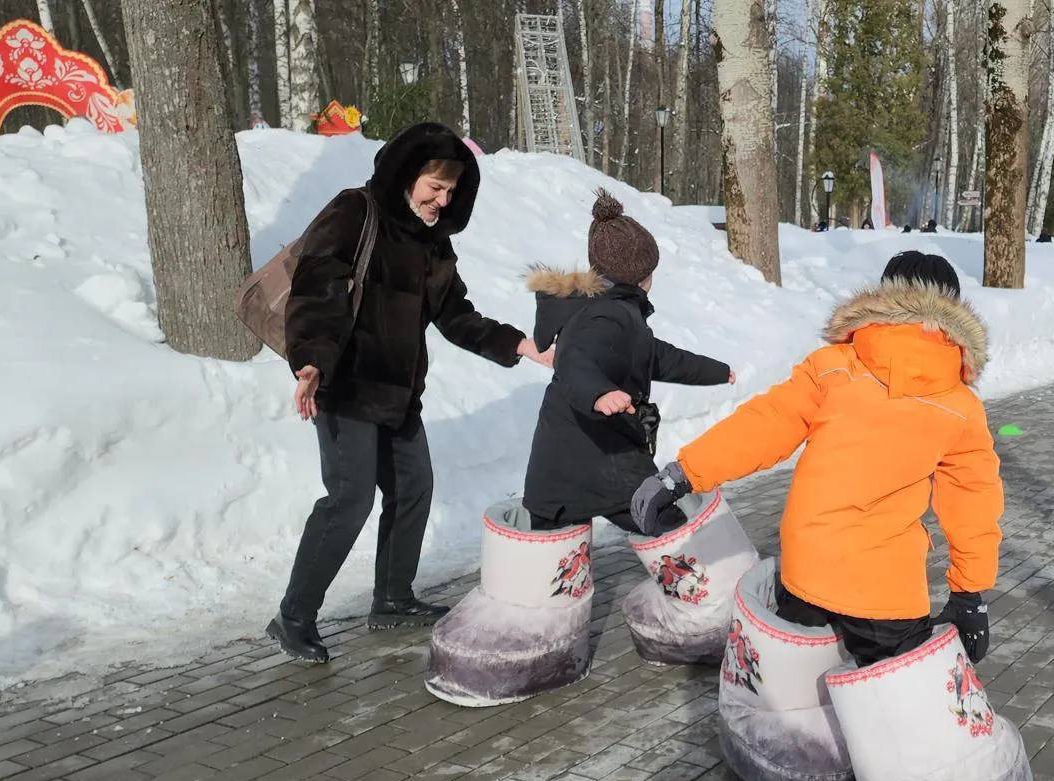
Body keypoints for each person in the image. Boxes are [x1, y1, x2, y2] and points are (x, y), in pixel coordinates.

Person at [629, 252, 1002, 666]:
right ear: (954, 314)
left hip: (808, 571)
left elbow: (763, 425)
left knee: (794, 697)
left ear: (883, 299)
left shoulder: (831, 369)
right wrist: (969, 595)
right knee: (897, 703)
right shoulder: (959, 405)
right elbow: (973, 503)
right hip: (886, 591)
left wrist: (684, 473)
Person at [271, 122, 548, 664]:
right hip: (344, 386)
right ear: (407, 175)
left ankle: (393, 597)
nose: (442, 201)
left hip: (398, 395)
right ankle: (294, 616)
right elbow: (316, 290)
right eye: (434, 187)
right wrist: (309, 362)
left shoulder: (432, 242)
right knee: (349, 501)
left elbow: (456, 315)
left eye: (451, 192)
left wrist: (519, 344)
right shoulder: (355, 212)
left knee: (414, 487)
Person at [521, 189, 732, 534]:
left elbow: (658, 356)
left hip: (566, 461)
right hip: (600, 456)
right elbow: (575, 362)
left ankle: (552, 588)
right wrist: (599, 394)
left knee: (558, 558)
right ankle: (705, 582)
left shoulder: (615, 312)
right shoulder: (606, 316)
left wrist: (717, 371)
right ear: (640, 277)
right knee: (663, 520)